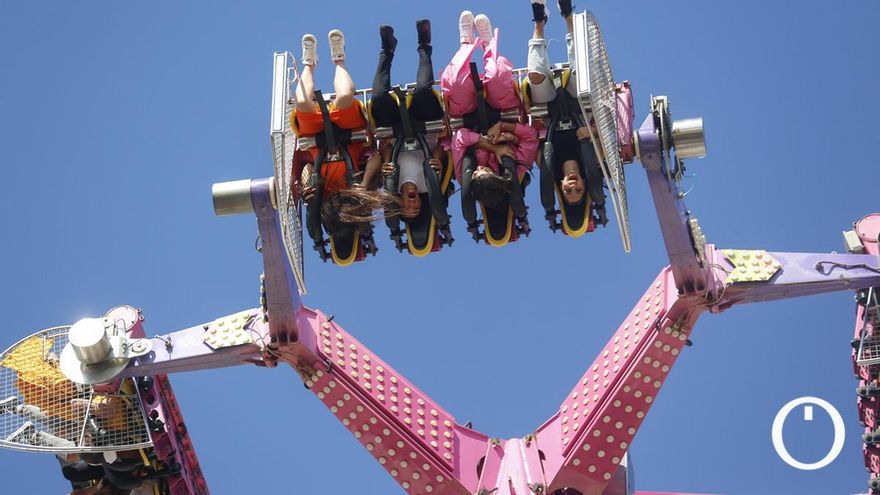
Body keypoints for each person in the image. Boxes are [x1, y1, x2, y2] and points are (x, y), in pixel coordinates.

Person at [291, 30, 396, 245]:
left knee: (302, 101)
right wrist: (364, 184)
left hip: (316, 141)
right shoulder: (360, 192)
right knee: (346, 96)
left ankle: (309, 63)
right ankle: (339, 59)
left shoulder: (319, 198)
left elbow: (307, 168)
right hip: (351, 137)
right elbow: (375, 156)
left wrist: (307, 185)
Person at [441, 11, 538, 211]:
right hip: (503, 112)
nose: (477, 169)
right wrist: (503, 126)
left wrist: (491, 146)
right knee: (497, 74)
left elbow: (459, 138)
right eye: (483, 172)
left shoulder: (463, 175)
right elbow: (530, 137)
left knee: (456, 81)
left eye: (475, 174)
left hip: (465, 118)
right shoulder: (516, 167)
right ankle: (487, 45)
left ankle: (466, 43)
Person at [526, 0, 607, 224]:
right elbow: (610, 130)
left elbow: (532, 141)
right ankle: (568, 17)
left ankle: (539, 22)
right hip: (579, 105)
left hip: (549, 109)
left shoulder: (547, 166)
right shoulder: (595, 161)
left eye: (568, 191)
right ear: (584, 185)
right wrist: (592, 132)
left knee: (534, 76)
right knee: (581, 78)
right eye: (578, 190)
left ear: (561, 187)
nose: (573, 186)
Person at [370, 21, 448, 221]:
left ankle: (386, 50)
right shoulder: (427, 185)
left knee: (378, 96)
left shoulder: (391, 184)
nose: (412, 204)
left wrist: (387, 163)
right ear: (421, 202)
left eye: (407, 208)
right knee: (422, 90)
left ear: (400, 203)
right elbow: (439, 149)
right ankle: (424, 45)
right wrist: (437, 160)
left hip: (397, 128)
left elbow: (386, 149)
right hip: (425, 125)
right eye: (416, 208)